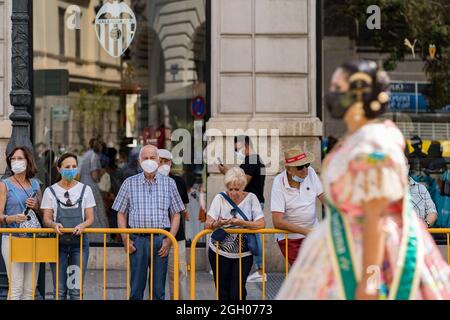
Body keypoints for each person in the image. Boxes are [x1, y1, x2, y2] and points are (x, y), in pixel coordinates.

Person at [277, 60, 450, 300]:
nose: (332, 94)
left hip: (373, 252)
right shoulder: (358, 139)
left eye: (338, 88)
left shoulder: (375, 144)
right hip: (343, 245)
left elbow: (376, 218)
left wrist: (370, 283)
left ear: (359, 94)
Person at [112, 145, 184, 300]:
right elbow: (121, 213)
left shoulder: (169, 183)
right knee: (136, 288)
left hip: (161, 239)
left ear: (158, 160)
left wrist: (169, 239)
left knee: (158, 290)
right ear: (139, 160)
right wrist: (125, 239)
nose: (149, 161)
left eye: (152, 158)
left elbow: (176, 214)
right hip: (137, 240)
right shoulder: (129, 183)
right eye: (145, 158)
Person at [41, 153, 95, 300]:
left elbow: (90, 218)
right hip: (57, 245)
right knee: (59, 290)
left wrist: (83, 225)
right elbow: (46, 219)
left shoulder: (86, 190)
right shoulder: (50, 191)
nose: (71, 170)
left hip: (79, 245)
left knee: (75, 290)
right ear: (59, 169)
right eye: (67, 167)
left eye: (74, 166)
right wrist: (53, 224)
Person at [205, 167, 265, 300]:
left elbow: (261, 224)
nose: (233, 193)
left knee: (237, 293)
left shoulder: (251, 198)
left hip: (243, 254)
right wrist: (218, 224)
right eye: (230, 189)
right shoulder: (220, 198)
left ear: (243, 186)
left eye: (237, 189)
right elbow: (208, 224)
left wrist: (241, 223)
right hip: (219, 252)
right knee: (223, 293)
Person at [218, 135, 266, 282]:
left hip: (252, 204)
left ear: (243, 145)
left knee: (254, 236)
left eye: (236, 148)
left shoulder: (250, 161)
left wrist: (227, 172)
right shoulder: (258, 160)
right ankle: (253, 268)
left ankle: (260, 270)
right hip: (254, 203)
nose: (235, 152)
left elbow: (241, 184)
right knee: (249, 236)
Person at [0, 147, 42, 300]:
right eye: (13, 159)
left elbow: (44, 213)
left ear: (28, 161)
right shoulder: (4, 185)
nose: (15, 162)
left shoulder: (36, 185)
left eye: (20, 158)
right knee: (16, 288)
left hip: (33, 239)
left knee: (30, 289)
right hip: (12, 238)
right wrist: (12, 218)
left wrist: (35, 206)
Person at [271, 146, 325, 265]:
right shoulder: (278, 182)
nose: (305, 171)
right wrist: (306, 231)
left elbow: (324, 199)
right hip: (290, 239)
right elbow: (277, 221)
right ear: (289, 170)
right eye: (300, 167)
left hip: (312, 234)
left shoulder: (310, 173)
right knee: (303, 275)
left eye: (307, 165)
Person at [158, 149, 190, 300]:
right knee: (155, 277)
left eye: (167, 161)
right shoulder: (148, 182)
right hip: (155, 236)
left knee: (179, 273)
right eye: (161, 161)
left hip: (177, 237)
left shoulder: (179, 181)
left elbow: (183, 208)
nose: (164, 165)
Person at [80, 138, 109, 241]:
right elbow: (94, 175)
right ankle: (98, 238)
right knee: (96, 212)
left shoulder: (86, 154)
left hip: (83, 185)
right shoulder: (94, 156)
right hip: (91, 186)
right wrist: (102, 173)